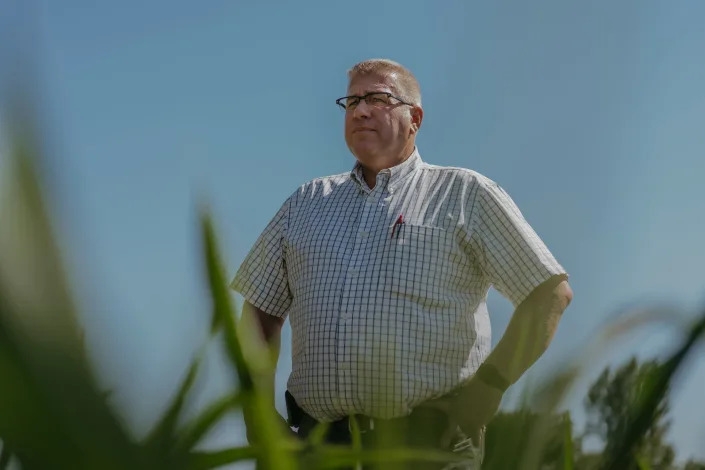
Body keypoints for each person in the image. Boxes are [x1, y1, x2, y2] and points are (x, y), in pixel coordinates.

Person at [231, 58, 573, 469]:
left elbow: (548, 294)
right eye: (352, 101)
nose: (360, 110)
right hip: (318, 447)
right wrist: (257, 418)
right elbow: (260, 314)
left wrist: (489, 390)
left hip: (429, 447)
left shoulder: (464, 194)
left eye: (377, 98)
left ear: (415, 118)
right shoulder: (306, 203)